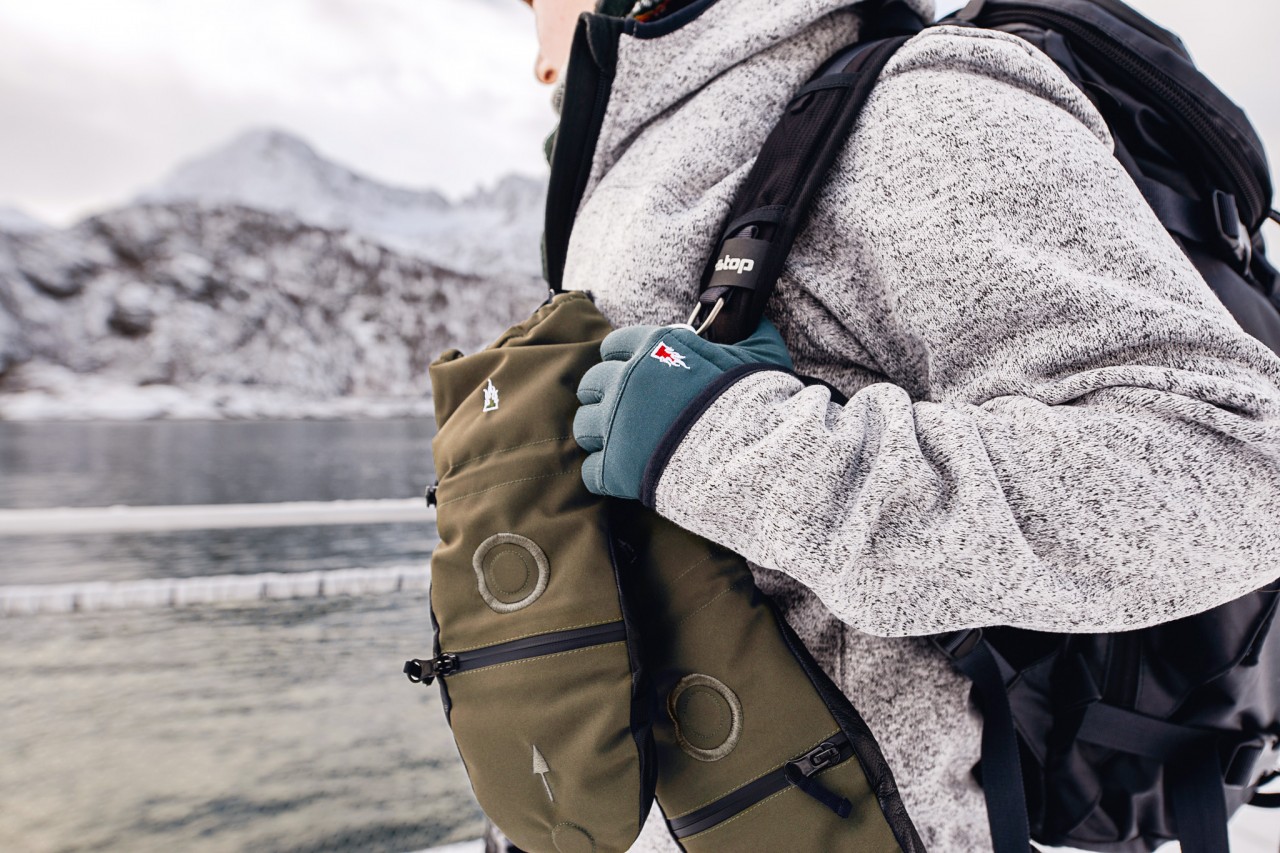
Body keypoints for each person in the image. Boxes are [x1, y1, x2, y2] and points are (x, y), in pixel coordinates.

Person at [516, 0, 1280, 849]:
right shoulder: (637, 163)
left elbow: (1241, 467)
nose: (539, 60)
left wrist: (744, 452)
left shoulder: (919, 107)